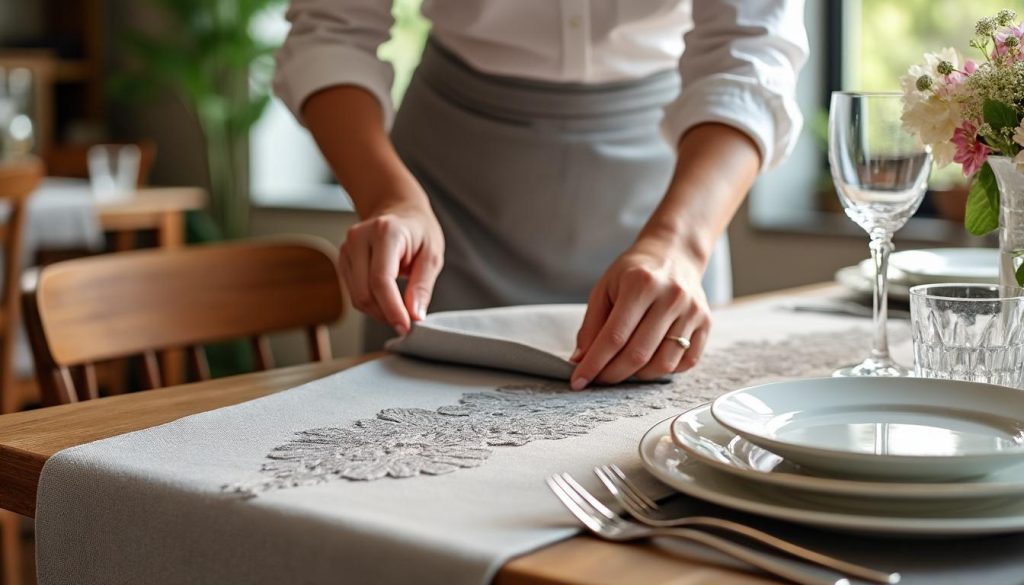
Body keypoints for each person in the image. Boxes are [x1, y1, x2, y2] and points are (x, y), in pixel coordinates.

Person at [274, 0, 807, 390]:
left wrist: (679, 246)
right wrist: (388, 198)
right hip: (447, 191)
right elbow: (332, 32)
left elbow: (752, 51)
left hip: (670, 190)